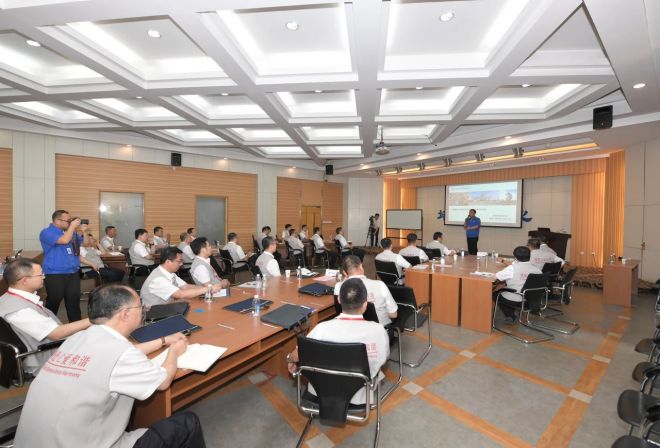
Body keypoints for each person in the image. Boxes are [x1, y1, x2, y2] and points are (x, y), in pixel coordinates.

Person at [14, 283, 205, 448]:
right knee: (188, 423)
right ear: (125, 314)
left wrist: (164, 340)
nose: (144, 310)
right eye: (141, 306)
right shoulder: (120, 353)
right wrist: (174, 352)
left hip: (35, 442)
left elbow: (123, 352)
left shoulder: (77, 338)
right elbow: (162, 382)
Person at [286, 278, 389, 405]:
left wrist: (289, 359)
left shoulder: (321, 329)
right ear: (365, 304)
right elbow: (383, 358)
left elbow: (297, 355)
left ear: (339, 300)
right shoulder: (378, 331)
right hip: (359, 395)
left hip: (321, 391)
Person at [0, 259, 91, 374]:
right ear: (24, 280)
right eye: (40, 274)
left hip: (48, 345)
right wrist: (93, 320)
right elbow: (56, 334)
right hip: (46, 354)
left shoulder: (7, 298)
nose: (44, 277)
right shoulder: (20, 310)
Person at [39, 209, 85, 322]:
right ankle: (48, 326)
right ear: (57, 221)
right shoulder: (46, 232)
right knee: (54, 301)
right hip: (55, 273)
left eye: (71, 221)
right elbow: (64, 240)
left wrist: (83, 231)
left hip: (73, 272)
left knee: (73, 302)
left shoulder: (70, 232)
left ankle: (76, 328)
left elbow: (85, 243)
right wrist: (72, 226)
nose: (70, 222)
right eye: (68, 221)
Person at [141, 247, 228, 306]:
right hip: (155, 315)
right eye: (179, 261)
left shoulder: (169, 273)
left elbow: (185, 286)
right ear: (168, 262)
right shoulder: (158, 279)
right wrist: (209, 289)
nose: (181, 264)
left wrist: (208, 288)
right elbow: (181, 294)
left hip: (166, 307)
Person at [334, 255, 397, 325]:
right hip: (379, 329)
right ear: (361, 266)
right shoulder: (380, 285)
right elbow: (393, 314)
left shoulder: (338, 287)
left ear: (344, 273)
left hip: (352, 327)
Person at [493, 246, 542, 323]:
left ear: (515, 257)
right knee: (505, 286)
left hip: (516, 299)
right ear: (530, 255)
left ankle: (510, 315)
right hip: (532, 301)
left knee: (495, 293)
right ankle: (511, 310)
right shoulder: (538, 270)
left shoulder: (512, 268)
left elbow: (496, 277)